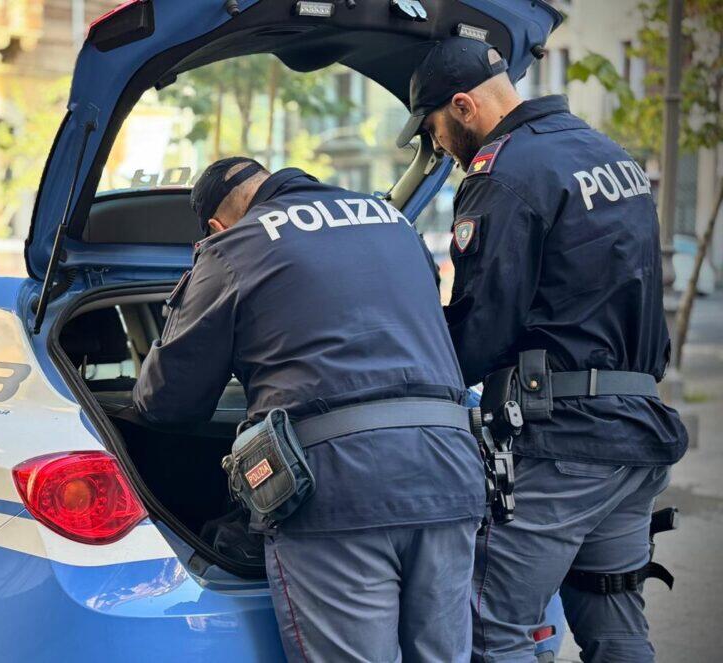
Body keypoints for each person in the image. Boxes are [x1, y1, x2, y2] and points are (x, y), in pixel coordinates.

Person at [399, 37, 688, 662]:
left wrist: (403, 377)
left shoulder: (503, 176)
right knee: (615, 628)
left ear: (462, 106)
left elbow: (481, 330)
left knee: (488, 630)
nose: (440, 147)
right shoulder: (607, 153)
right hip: (635, 440)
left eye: (434, 130)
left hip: (563, 450)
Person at [131, 157, 486, 662]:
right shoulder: (392, 221)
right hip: (450, 476)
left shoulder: (234, 247)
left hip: (341, 492)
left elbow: (165, 402)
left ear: (214, 226)